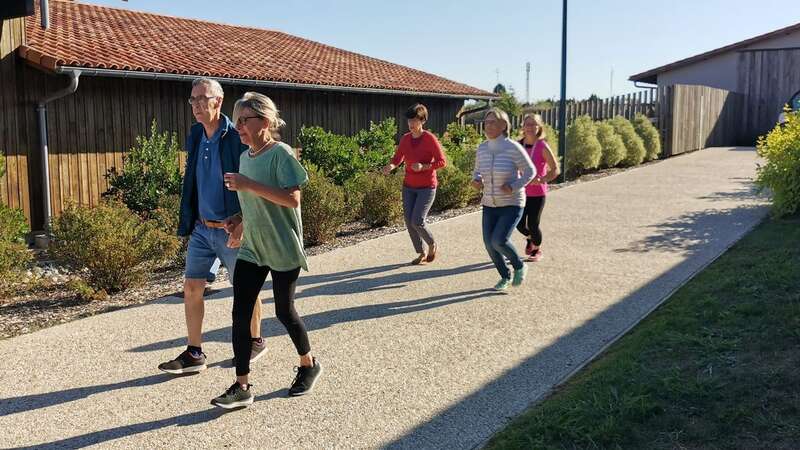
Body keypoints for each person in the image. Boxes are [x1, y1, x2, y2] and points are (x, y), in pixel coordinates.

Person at [211, 92, 321, 409]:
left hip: (283, 246)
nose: (240, 127)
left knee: (284, 312)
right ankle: (242, 385)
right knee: (240, 313)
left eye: (246, 120)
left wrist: (247, 185)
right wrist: (238, 220)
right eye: (238, 121)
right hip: (254, 248)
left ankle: (308, 364)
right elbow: (256, 204)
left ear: (267, 121)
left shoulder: (281, 154)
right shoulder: (246, 159)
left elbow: (292, 199)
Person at [158, 78, 265, 375]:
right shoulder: (196, 135)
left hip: (232, 226)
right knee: (192, 287)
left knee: (246, 287)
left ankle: (255, 340)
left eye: (202, 99)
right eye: (192, 100)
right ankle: (194, 352)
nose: (196, 105)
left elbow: (254, 178)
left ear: (217, 101)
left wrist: (243, 220)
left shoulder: (236, 136)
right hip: (203, 228)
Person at [472, 108, 535, 291]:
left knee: (498, 240)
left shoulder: (512, 147)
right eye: (487, 122)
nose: (488, 125)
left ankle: (519, 265)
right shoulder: (482, 148)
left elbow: (531, 171)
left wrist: (514, 186)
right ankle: (504, 276)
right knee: (489, 244)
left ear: (503, 125)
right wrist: (476, 181)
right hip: (489, 203)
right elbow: (477, 171)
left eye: (493, 122)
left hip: (512, 203)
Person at [382, 103, 446, 265]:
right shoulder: (405, 139)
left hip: (427, 187)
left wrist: (424, 166)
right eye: (409, 120)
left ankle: (432, 244)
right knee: (408, 221)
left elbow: (441, 162)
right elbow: (398, 158)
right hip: (409, 186)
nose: (411, 124)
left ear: (422, 120)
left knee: (417, 220)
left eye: (415, 120)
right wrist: (391, 166)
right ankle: (421, 252)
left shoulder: (429, 139)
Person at [516, 113, 560, 262]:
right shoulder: (518, 145)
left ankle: (537, 249)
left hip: (537, 194)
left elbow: (555, 169)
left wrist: (542, 179)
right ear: (523, 127)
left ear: (539, 127)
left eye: (533, 124)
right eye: (527, 124)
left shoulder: (542, 146)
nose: (529, 127)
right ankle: (531, 239)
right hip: (520, 193)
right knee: (519, 223)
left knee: (533, 224)